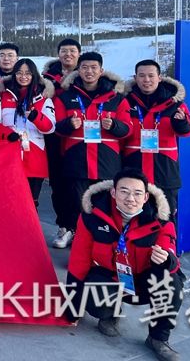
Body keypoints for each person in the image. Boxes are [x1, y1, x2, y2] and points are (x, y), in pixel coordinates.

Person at [66, 168, 183, 361]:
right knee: (93, 290)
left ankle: (158, 338)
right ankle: (109, 314)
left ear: (146, 197)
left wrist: (166, 260)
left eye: (137, 193)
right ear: (113, 192)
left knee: (172, 282)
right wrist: (73, 308)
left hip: (144, 282)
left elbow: (170, 253)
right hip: (111, 278)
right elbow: (79, 262)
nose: (131, 199)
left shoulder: (161, 220)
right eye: (124, 191)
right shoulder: (91, 217)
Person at [53, 52, 132, 247]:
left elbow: (128, 129)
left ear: (101, 70)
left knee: (105, 202)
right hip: (76, 158)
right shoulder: (66, 97)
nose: (89, 71)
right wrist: (68, 125)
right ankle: (73, 232)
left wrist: (114, 125)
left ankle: (103, 238)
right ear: (78, 70)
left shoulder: (116, 98)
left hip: (107, 159)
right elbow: (56, 128)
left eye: (94, 67)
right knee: (75, 200)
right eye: (85, 67)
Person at [122, 60, 190, 223]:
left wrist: (180, 122)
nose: (146, 80)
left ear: (159, 77)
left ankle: (167, 240)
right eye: (142, 76)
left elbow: (188, 131)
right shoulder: (126, 101)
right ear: (135, 78)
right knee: (134, 217)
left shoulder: (175, 103)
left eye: (151, 75)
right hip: (134, 167)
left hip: (164, 170)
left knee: (166, 217)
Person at [0, 58, 56, 207]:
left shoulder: (43, 98)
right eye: (19, 73)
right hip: (9, 156)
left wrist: (36, 117)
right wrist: (7, 134)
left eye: (28, 73)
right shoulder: (4, 96)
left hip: (34, 157)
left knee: (30, 204)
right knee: (8, 202)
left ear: (34, 75)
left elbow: (50, 127)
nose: (23, 77)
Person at [42, 38, 81, 248]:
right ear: (58, 54)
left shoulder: (87, 75)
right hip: (54, 137)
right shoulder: (48, 79)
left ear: (79, 53)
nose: (68, 54)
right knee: (58, 185)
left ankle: (81, 229)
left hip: (81, 138)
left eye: (72, 51)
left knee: (79, 185)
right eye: (64, 51)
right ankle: (64, 226)